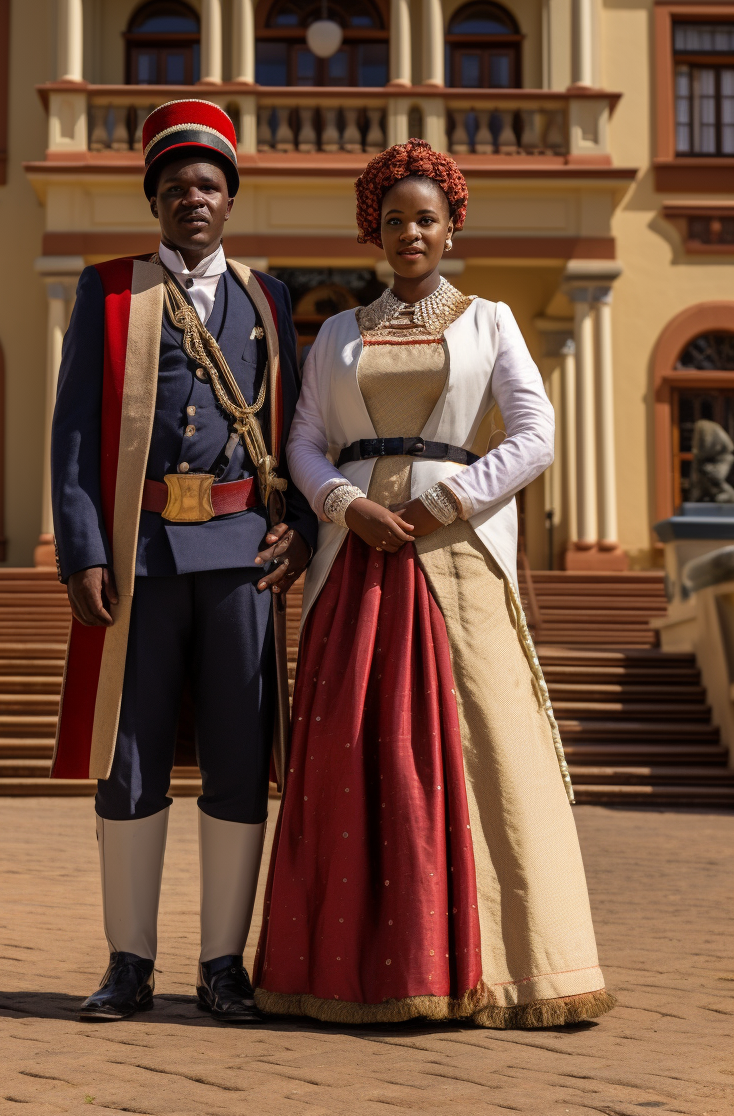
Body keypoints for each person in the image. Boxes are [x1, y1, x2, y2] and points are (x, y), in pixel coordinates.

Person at [253, 139, 615, 1029]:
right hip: (358, 557)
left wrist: (449, 500)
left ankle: (511, 968)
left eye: (424, 218)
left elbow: (535, 435)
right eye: (392, 221)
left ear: (451, 227)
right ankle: (351, 968)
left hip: (455, 548)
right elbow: (301, 440)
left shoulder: (492, 320)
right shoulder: (338, 331)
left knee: (484, 740)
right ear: (373, 233)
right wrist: (341, 504)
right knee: (351, 750)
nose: (408, 233)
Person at [50, 99, 316, 1024]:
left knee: (241, 758)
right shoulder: (109, 291)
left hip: (243, 555)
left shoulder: (266, 298)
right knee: (130, 761)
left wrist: (305, 530)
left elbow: (298, 432)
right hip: (142, 557)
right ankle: (129, 962)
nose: (191, 198)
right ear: (156, 202)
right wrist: (82, 546)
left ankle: (221, 965)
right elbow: (75, 432)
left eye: (207, 184)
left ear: (229, 199)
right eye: (174, 187)